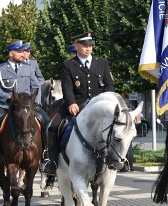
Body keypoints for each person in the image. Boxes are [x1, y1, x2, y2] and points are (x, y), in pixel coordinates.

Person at [43, 32, 115, 175]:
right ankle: (52, 161)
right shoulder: (69, 65)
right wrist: (71, 103)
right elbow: (67, 87)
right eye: (84, 45)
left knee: (119, 125)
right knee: (53, 126)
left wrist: (107, 101)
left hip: (99, 105)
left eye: (90, 46)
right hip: (77, 103)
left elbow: (109, 85)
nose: (88, 48)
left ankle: (119, 159)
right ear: (76, 46)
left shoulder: (102, 62)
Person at [0, 41, 49, 166]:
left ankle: (46, 151)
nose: (22, 54)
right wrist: (8, 97)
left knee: (47, 122)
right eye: (19, 52)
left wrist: (35, 102)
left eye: (22, 52)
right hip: (6, 106)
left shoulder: (28, 67)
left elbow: (36, 86)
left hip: (27, 106)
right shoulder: (0, 69)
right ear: (11, 53)